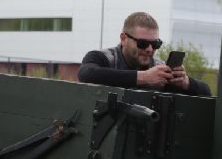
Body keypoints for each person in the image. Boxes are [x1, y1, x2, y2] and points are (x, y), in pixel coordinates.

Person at [78, 11, 211, 96]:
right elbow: (86, 74)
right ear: (124, 39)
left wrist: (185, 82)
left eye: (155, 44)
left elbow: (206, 92)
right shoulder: (103, 57)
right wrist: (143, 77)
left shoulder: (160, 70)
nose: (149, 49)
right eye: (142, 43)